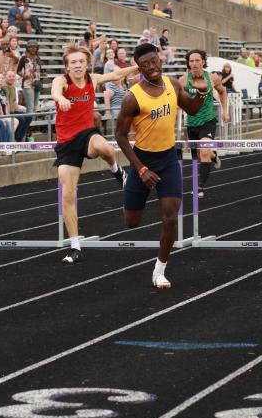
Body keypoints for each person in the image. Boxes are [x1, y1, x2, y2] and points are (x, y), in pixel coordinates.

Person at [114, 43, 206, 288]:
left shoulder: (173, 84)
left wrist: (204, 92)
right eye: (145, 65)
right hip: (142, 160)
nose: (151, 68)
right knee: (131, 222)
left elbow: (193, 108)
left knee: (171, 217)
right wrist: (141, 169)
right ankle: (130, 181)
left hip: (167, 159)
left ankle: (159, 270)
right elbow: (121, 137)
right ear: (139, 68)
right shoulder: (132, 97)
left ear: (160, 59)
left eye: (153, 62)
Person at [52, 45, 137, 264]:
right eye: (73, 62)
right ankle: (75, 247)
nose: (78, 65)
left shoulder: (93, 78)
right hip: (67, 143)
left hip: (87, 134)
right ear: (67, 66)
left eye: (81, 61)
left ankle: (117, 171)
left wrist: (138, 67)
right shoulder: (62, 81)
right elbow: (55, 90)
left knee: (106, 148)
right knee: (68, 195)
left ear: (86, 63)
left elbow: (116, 74)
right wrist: (60, 99)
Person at [184, 50, 229, 198]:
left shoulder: (212, 78)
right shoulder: (183, 80)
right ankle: (214, 155)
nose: (195, 64)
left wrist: (224, 111)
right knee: (198, 155)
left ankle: (200, 188)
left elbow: (223, 92)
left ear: (203, 62)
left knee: (203, 151)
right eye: (192, 61)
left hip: (208, 121)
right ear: (188, 63)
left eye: (198, 60)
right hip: (191, 123)